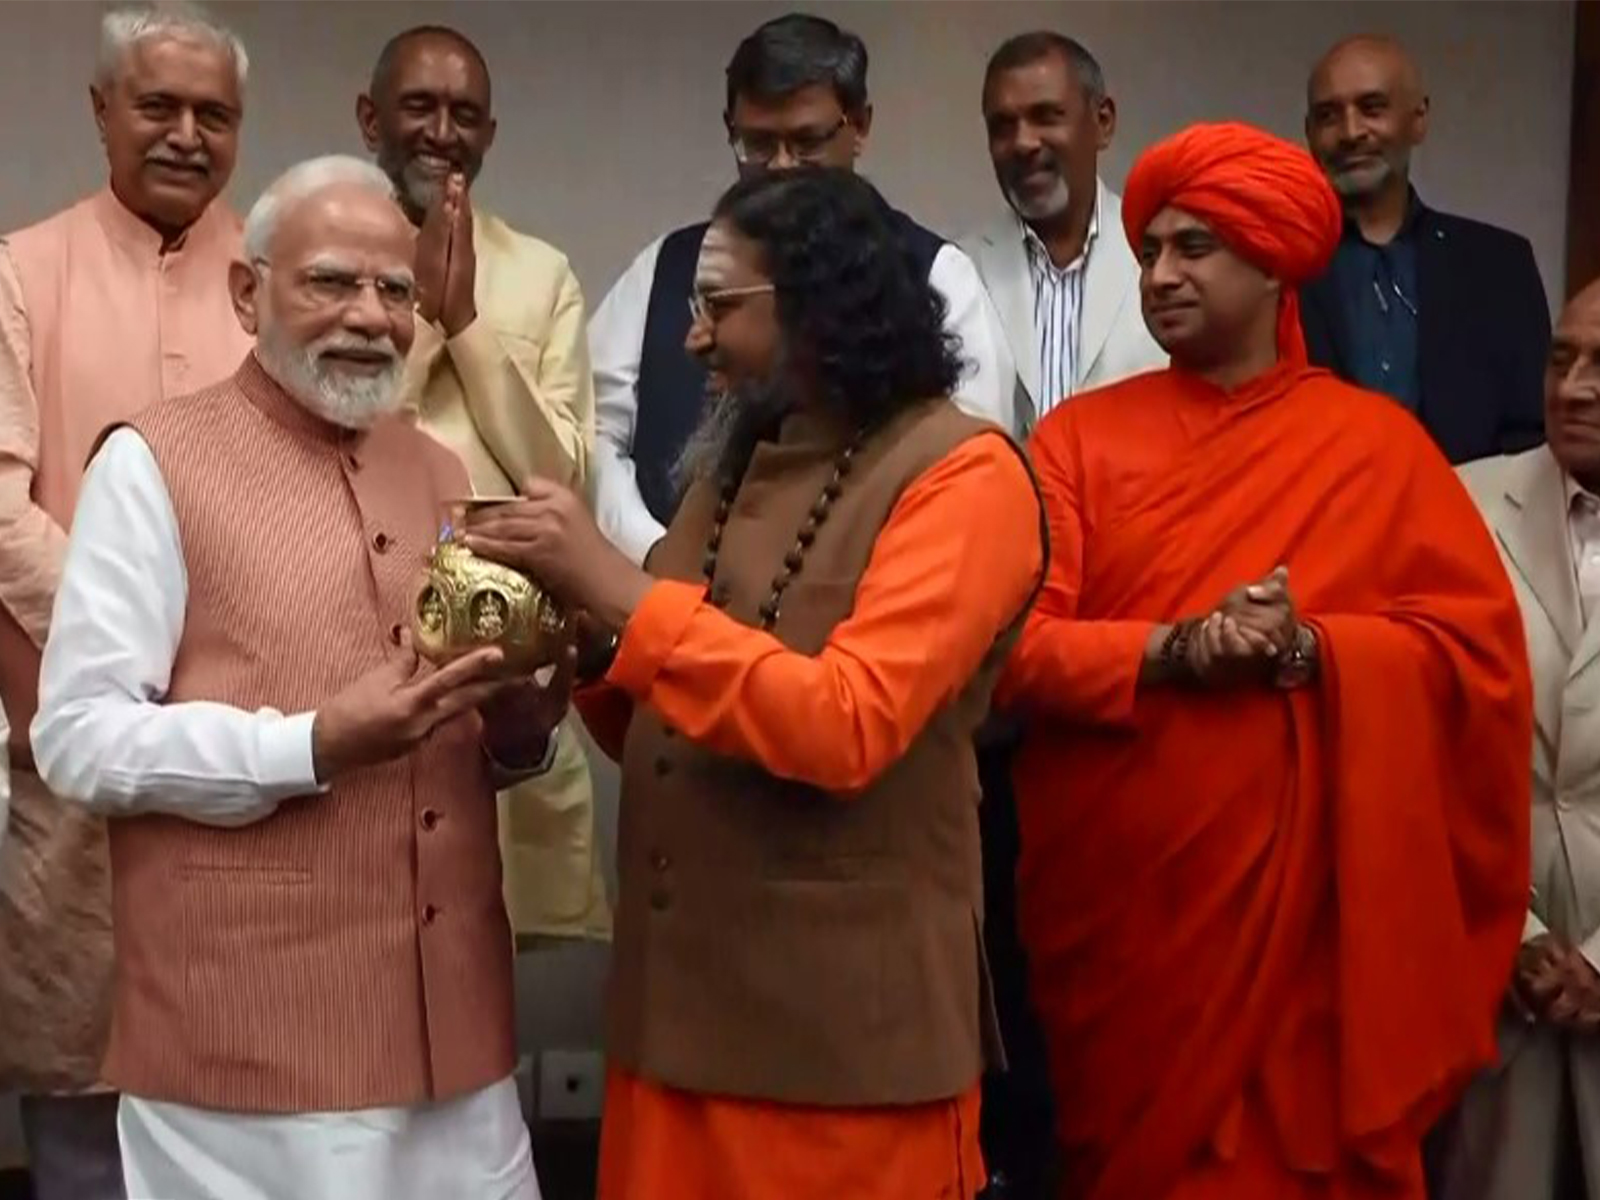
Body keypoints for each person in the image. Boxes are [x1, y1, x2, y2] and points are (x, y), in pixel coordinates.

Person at [460, 165, 1045, 1200]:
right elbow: (671, 730)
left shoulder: (965, 476)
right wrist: (576, 647)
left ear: (822, 305)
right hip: (673, 1027)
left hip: (843, 1056)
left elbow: (847, 726)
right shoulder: (730, 467)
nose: (693, 341)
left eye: (718, 307)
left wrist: (614, 583)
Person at [997, 121, 1533, 1200]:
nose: (1158, 275)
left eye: (1193, 249)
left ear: (1272, 261)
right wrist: (1174, 651)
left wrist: (1313, 648)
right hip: (1124, 930)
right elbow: (1011, 658)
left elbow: (1476, 661)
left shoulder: (1374, 447)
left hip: (1305, 952)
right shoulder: (1073, 444)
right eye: (1149, 250)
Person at [30, 154, 564, 1200]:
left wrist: (519, 726)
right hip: (251, 1047)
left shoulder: (439, 470)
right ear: (248, 292)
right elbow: (77, 738)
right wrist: (307, 744)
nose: (370, 316)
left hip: (457, 1038)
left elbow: (445, 733)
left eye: (397, 291)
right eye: (331, 282)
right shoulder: (151, 463)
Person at [0, 5, 251, 1196]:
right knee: (83, 1088)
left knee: (241, 1091)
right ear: (101, 110)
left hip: (247, 752)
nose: (187, 135)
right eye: (159, 106)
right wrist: (137, 645)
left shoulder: (275, 280)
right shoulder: (20, 272)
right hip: (70, 744)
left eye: (215, 114)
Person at [590, 11, 1013, 567]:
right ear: (729, 129)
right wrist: (656, 554)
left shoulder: (935, 273)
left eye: (807, 141)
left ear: (859, 126)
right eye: (758, 144)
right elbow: (592, 434)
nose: (784, 168)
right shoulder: (664, 268)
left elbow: (964, 470)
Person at [357, 23, 608, 946]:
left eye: (465, 115)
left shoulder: (540, 275)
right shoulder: (325, 257)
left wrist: (464, 322)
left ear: (489, 136)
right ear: (369, 118)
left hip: (499, 656)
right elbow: (322, 448)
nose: (441, 132)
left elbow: (559, 477)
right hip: (352, 635)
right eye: (419, 107)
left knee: (491, 950)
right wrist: (416, 321)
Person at [1432, 277, 1600, 1199]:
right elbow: (1425, 742)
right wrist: (1517, 938)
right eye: (1562, 358)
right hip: (1500, 974)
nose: (1575, 387)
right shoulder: (1462, 504)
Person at [1301, 33, 1550, 463]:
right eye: (1328, 116)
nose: (1351, 132)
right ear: (1309, 133)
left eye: (1372, 108)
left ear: (1418, 120)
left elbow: (1532, 432)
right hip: (1317, 521)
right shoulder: (1276, 270)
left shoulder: (1499, 265)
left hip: (1468, 517)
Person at [961, 31, 1164, 436]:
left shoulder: (1162, 259)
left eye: (1046, 116)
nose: (1023, 143)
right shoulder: (958, 271)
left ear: (1102, 123)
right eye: (1003, 126)